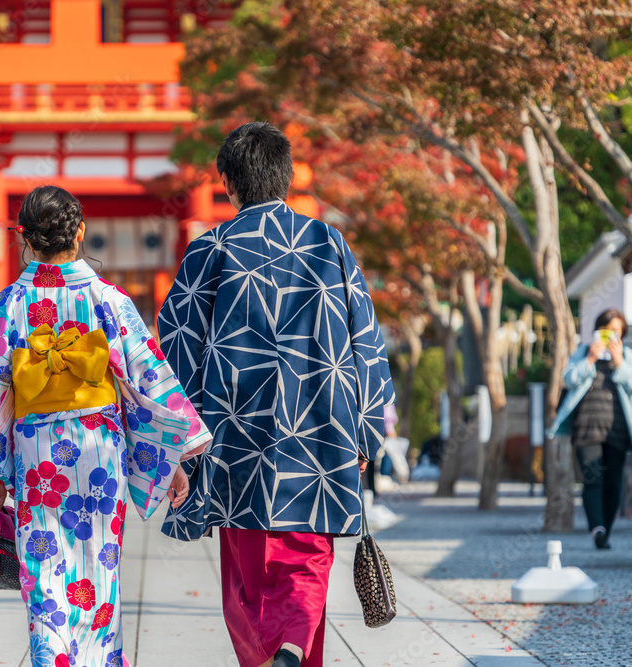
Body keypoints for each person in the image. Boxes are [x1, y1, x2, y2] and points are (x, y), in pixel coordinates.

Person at [158, 123, 395, 667]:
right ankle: (291, 647)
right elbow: (366, 343)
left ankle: (274, 652)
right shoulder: (328, 243)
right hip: (319, 437)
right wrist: (365, 431)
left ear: (227, 182)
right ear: (287, 177)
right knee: (306, 560)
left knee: (246, 575)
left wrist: (180, 449)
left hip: (236, 439)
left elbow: (175, 355)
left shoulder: (209, 250)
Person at [0, 185, 209, 667]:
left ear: (24, 239)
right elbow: (148, 374)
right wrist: (170, 453)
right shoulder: (109, 298)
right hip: (98, 448)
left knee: (44, 565)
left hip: (36, 452)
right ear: (81, 233)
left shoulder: (9, 303)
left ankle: (53, 658)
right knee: (98, 564)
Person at [548, 309, 632, 550]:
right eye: (606, 331)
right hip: (587, 430)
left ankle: (604, 532)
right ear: (598, 331)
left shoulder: (628, 357)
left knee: (613, 484)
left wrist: (619, 363)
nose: (611, 337)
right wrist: (589, 359)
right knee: (593, 479)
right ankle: (596, 528)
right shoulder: (583, 352)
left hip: (617, 431)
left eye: (616, 332)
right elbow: (569, 379)